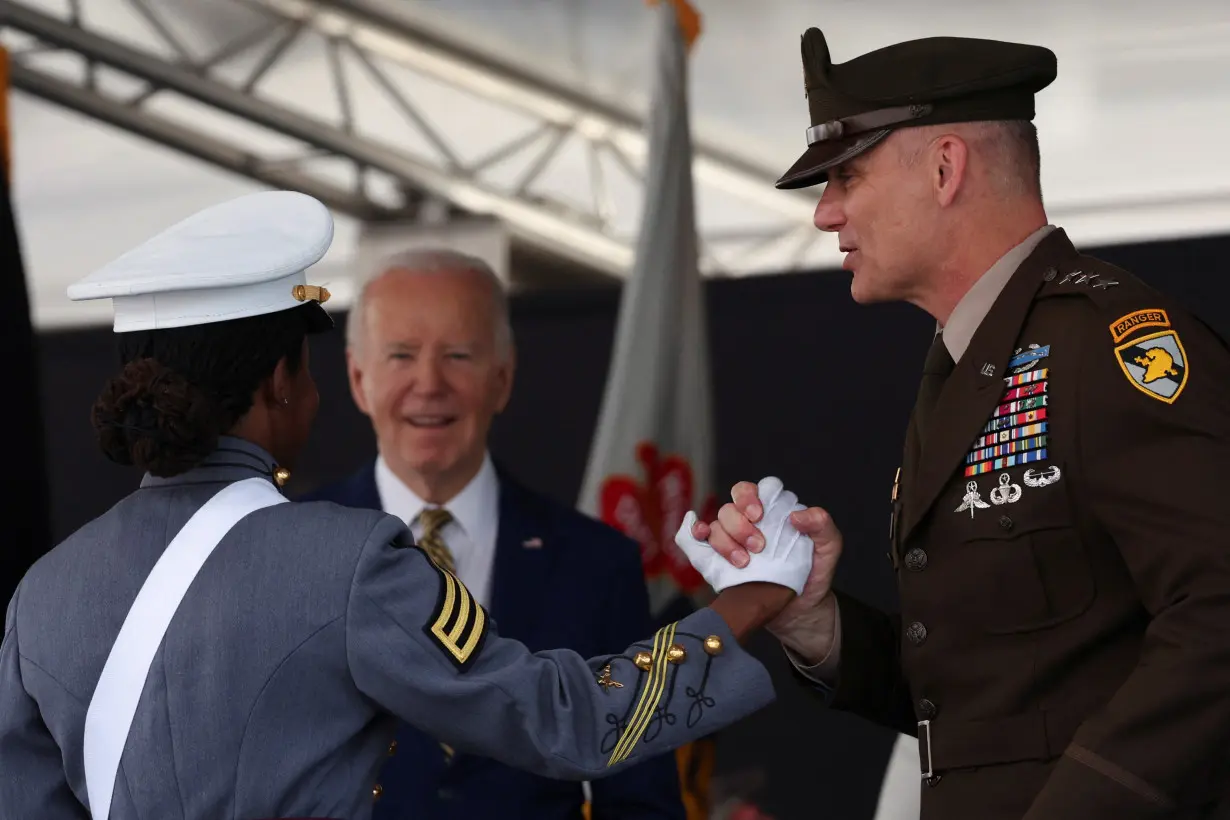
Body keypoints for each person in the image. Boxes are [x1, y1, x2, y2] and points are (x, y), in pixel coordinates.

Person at [0, 190, 811, 820]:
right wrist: (749, 600)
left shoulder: (42, 595)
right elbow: (564, 719)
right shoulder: (342, 562)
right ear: (281, 382)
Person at [680, 28, 1230, 820]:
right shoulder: (969, 362)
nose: (824, 213)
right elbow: (985, 701)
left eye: (846, 175)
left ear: (945, 169)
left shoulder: (1106, 347)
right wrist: (816, 621)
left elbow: (1219, 614)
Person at [299, 250, 687, 820]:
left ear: (502, 378)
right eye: (401, 355)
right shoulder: (291, 551)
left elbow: (639, 801)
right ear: (358, 379)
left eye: (458, 355)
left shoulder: (596, 565)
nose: (429, 384)